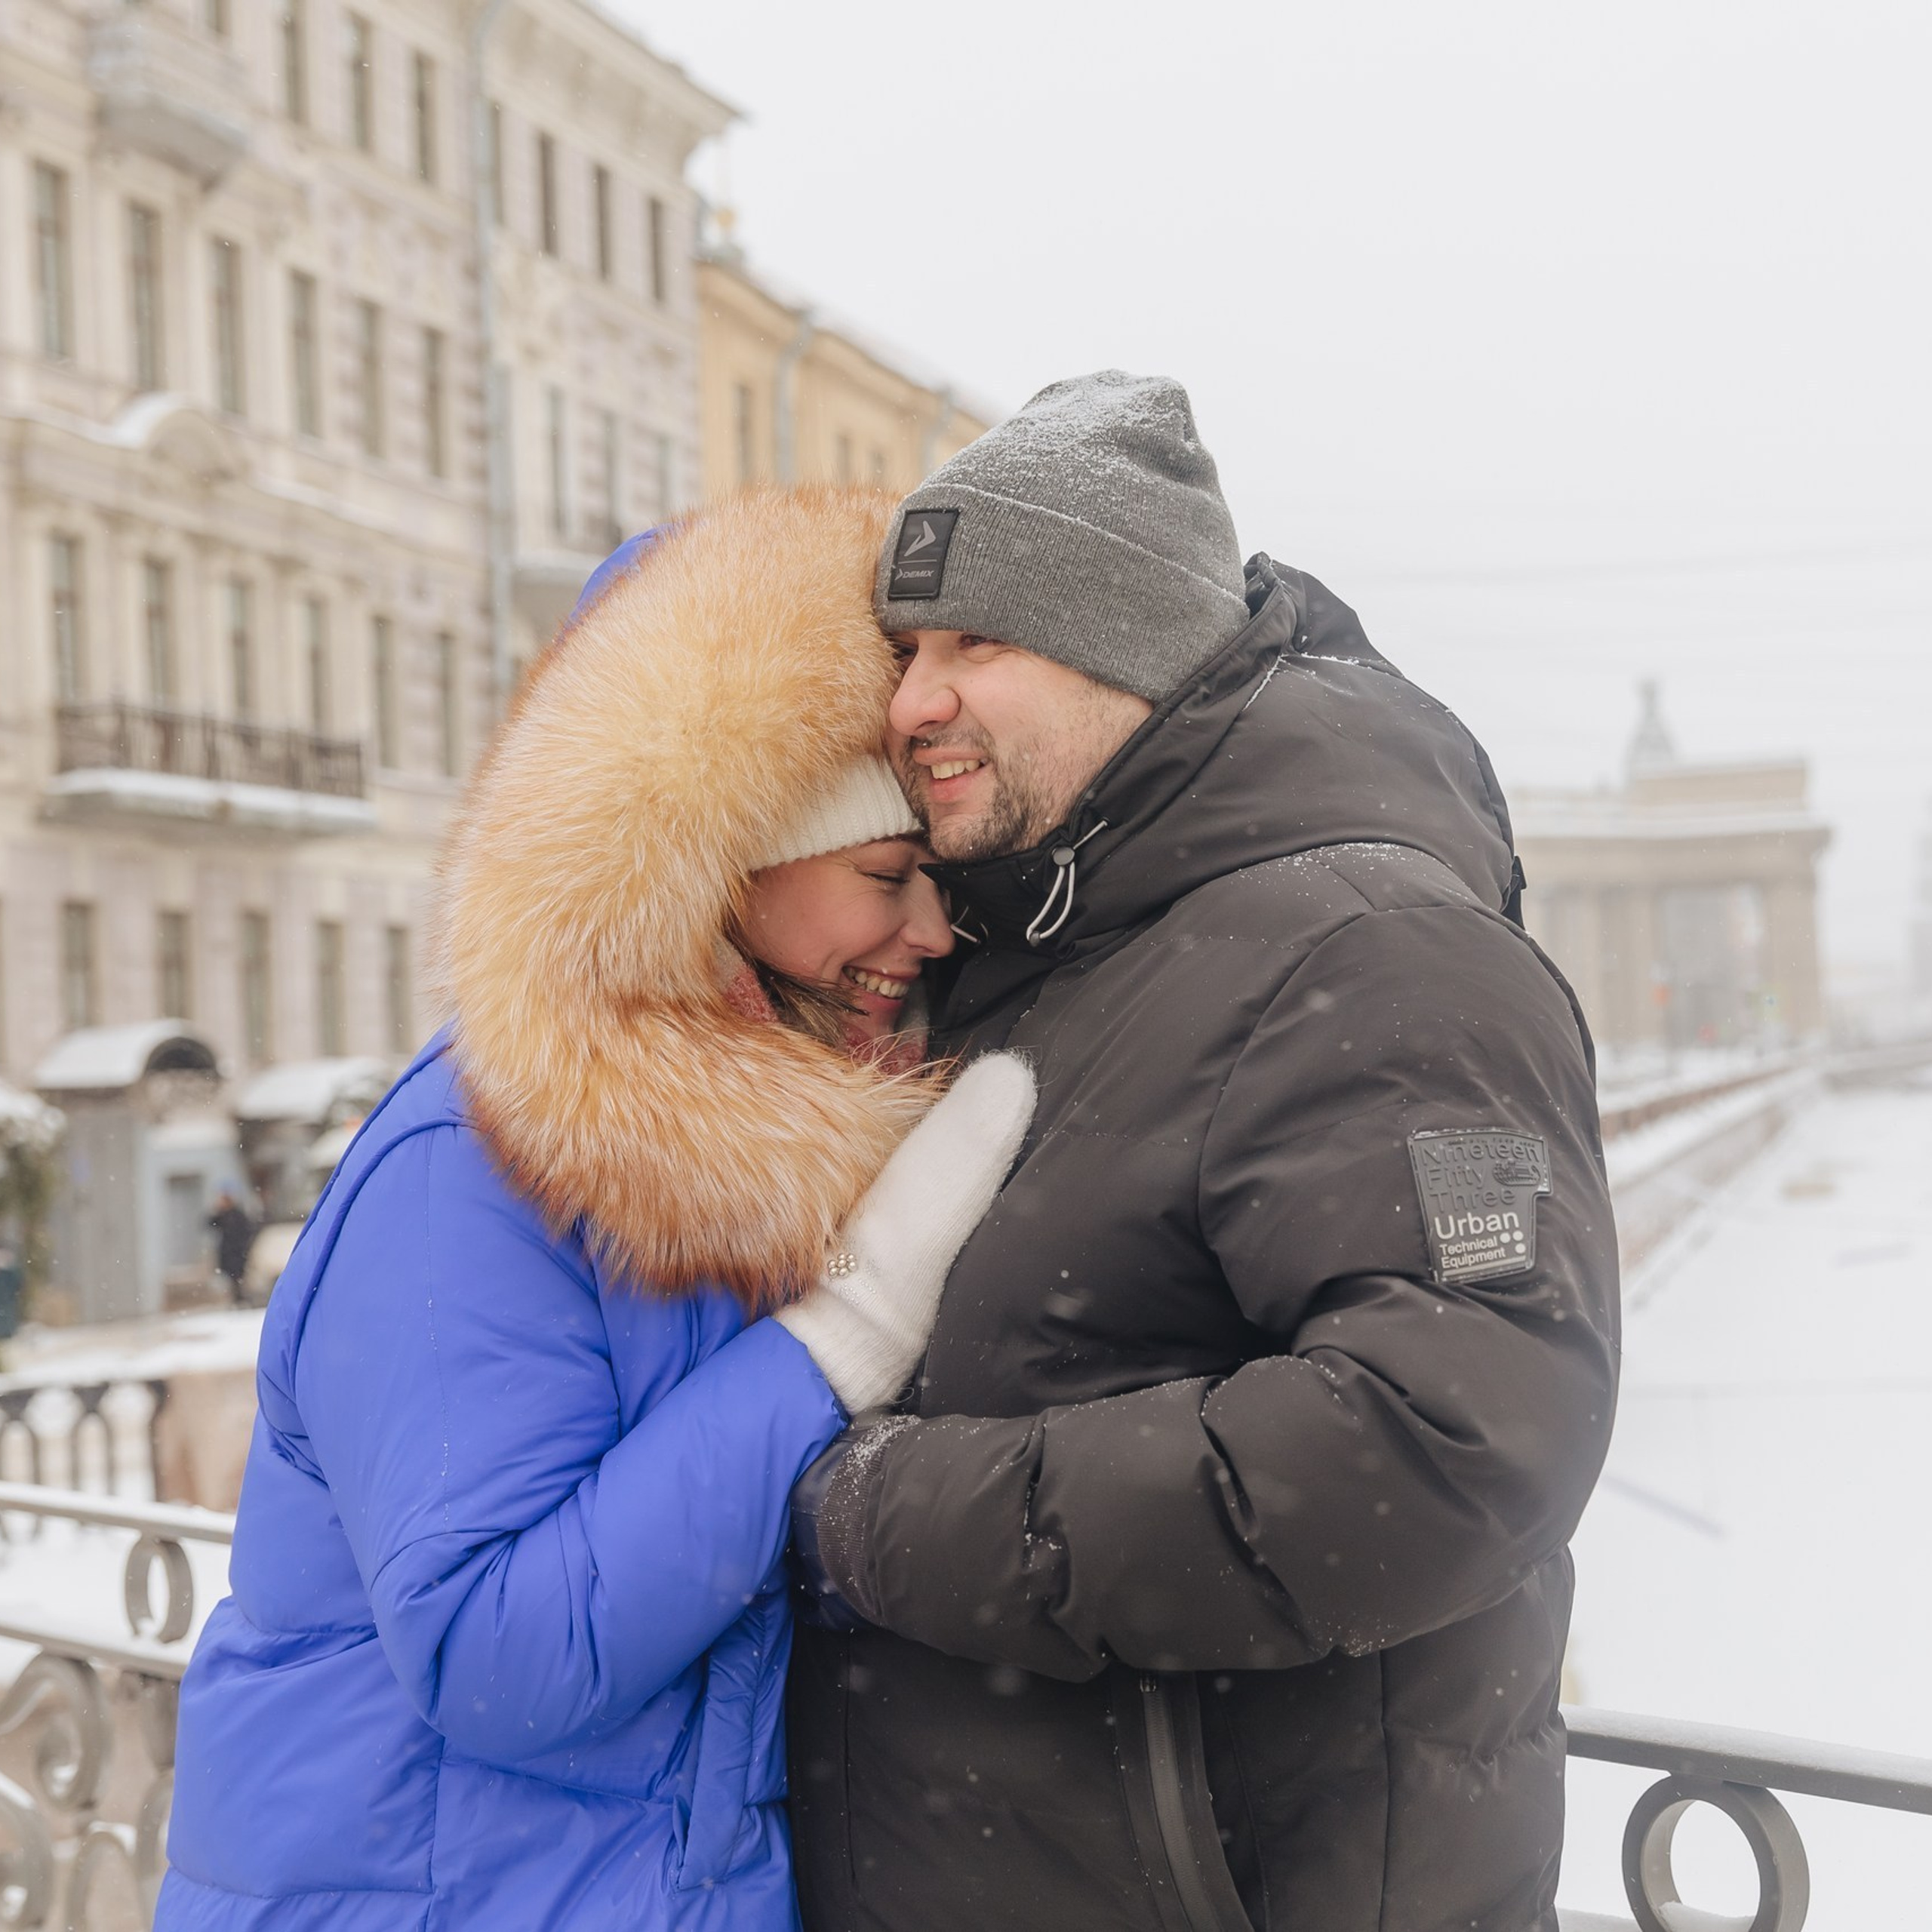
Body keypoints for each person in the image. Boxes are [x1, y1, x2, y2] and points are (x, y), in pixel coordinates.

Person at [787, 374, 1621, 1932]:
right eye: (905, 650)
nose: (909, 700)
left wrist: (871, 1512)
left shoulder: (1383, 956)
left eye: (976, 642)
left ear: (1132, 648)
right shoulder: (1045, 951)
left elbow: (1455, 1435)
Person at [158, 487, 1035, 1932]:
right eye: (887, 876)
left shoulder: (773, 1147)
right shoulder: (474, 1163)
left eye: (941, 883)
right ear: (714, 859)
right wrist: (846, 1333)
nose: (928, 932)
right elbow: (499, 1652)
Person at [204, 1187, 255, 1306]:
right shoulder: (223, 1215)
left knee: (238, 1276)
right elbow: (210, 1223)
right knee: (231, 1277)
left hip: (238, 1252)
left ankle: (240, 1299)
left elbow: (246, 1231)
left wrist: (243, 1246)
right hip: (228, 1252)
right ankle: (236, 1298)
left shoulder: (237, 1215)